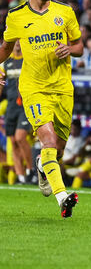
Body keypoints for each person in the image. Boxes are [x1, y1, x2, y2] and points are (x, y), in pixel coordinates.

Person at [0, 0, 83, 218]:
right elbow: (5, 46)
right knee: (46, 139)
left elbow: (79, 46)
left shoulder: (65, 12)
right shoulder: (16, 16)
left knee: (56, 150)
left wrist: (69, 49)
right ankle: (63, 197)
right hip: (34, 88)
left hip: (62, 88)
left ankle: (41, 165)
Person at [0, 40, 34, 184]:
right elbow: (1, 82)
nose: (18, 43)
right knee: (13, 141)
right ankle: (21, 176)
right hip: (11, 105)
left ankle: (31, 170)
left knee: (21, 137)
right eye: (16, 40)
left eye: (20, 40)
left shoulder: (27, 59)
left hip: (25, 104)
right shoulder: (5, 63)